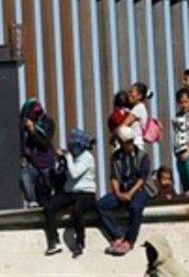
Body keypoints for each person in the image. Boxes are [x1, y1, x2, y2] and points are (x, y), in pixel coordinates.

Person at [42, 128, 96, 257]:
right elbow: (62, 173)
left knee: (77, 210)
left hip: (86, 192)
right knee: (49, 206)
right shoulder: (72, 157)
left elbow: (74, 173)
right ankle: (54, 241)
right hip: (70, 192)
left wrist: (68, 158)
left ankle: (80, 243)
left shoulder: (87, 157)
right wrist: (60, 160)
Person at [97, 125, 150, 257]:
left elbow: (142, 179)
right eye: (125, 142)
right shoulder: (116, 157)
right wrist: (118, 193)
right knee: (102, 205)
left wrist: (130, 194)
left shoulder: (142, 155)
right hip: (122, 189)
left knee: (135, 207)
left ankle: (129, 241)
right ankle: (118, 235)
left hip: (138, 190)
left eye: (130, 141)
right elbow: (114, 177)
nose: (129, 144)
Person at [19, 98, 57, 207]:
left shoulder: (48, 123)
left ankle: (47, 204)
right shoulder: (24, 125)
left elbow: (44, 144)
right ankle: (32, 202)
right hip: (32, 163)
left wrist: (33, 131)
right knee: (24, 176)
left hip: (45, 162)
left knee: (45, 189)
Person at [121, 83, 152, 147]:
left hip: (135, 144)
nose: (129, 95)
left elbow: (124, 125)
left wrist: (114, 136)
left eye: (131, 92)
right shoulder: (139, 108)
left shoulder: (138, 109)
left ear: (139, 96)